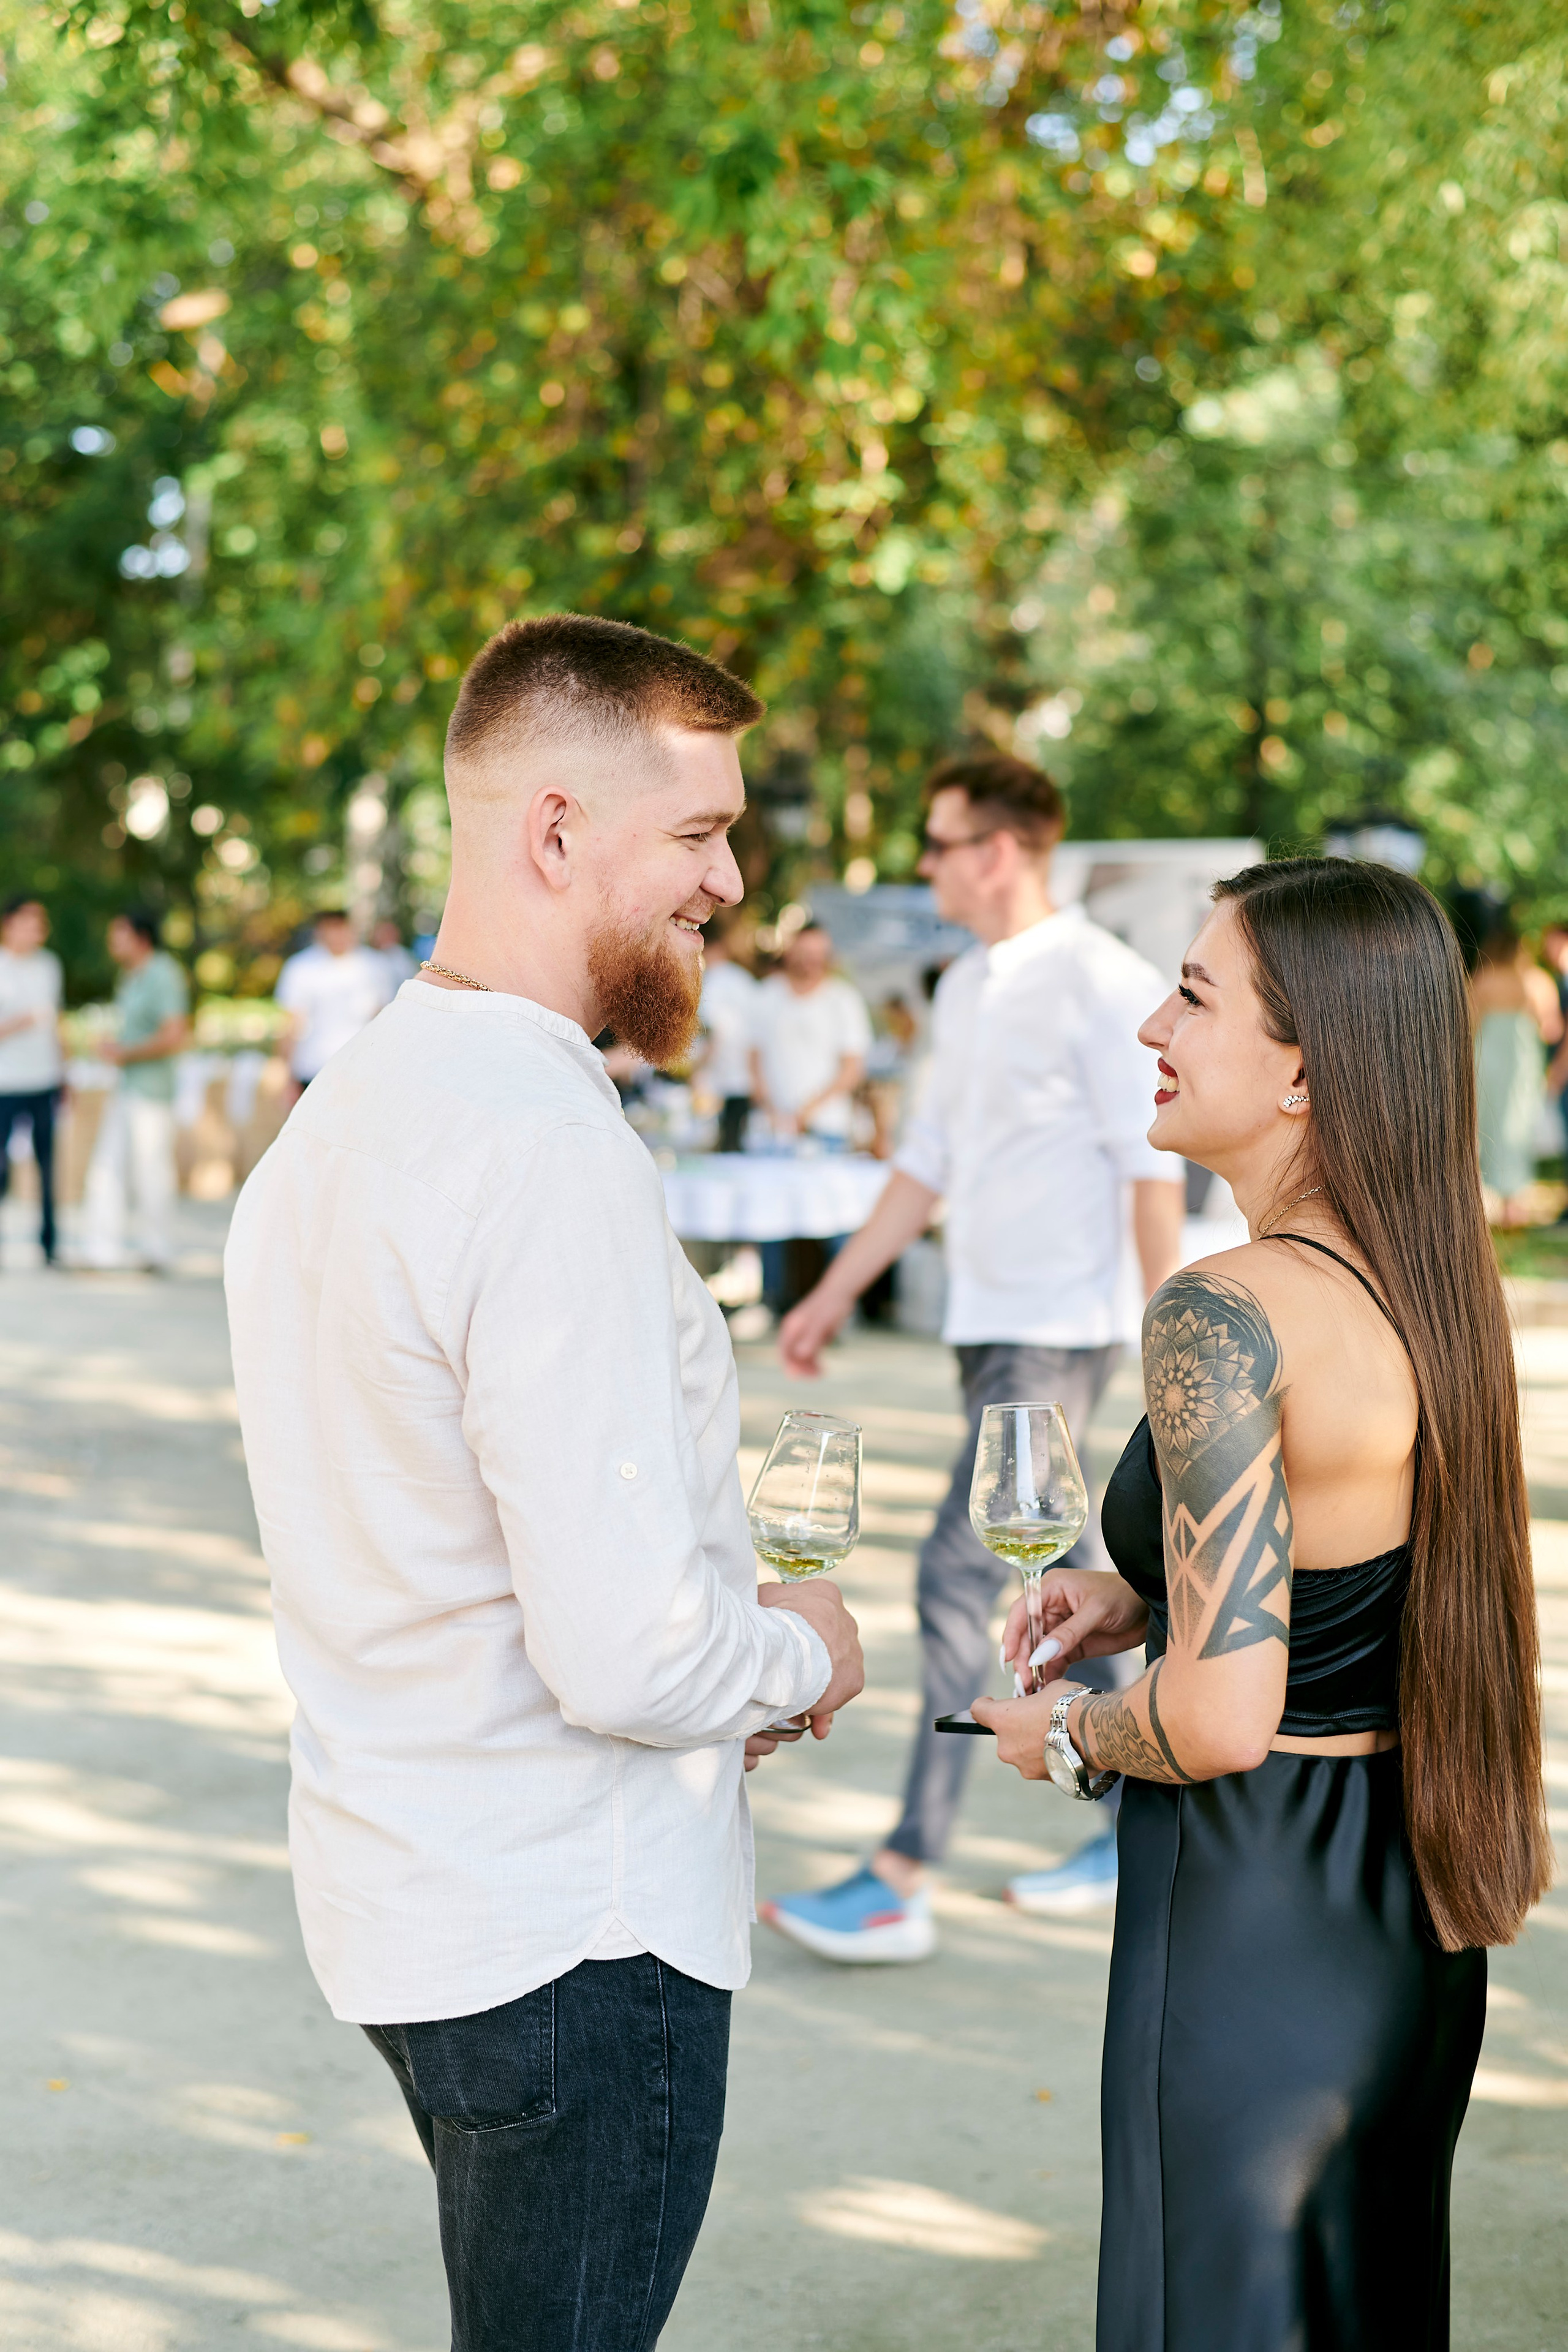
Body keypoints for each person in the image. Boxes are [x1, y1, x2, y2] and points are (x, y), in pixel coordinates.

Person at [224, 614, 865, 2352]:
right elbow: (630, 1655)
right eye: (699, 833)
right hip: (573, 1931)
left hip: (413, 1895)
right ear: (557, 830)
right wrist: (800, 1652)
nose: (730, 882)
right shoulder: (544, 1143)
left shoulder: (346, 1115)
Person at [975, 856, 1548, 2351]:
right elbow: (1347, 1558)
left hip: (1251, 1905)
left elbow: (1221, 1718)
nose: (1149, 1029)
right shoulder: (1420, 1281)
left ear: (1300, 1068)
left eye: (1189, 995)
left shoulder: (1218, 1310)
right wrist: (1140, 1590)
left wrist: (1061, 1735)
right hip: (1402, 1901)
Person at [761, 754, 1184, 1959]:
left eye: (940, 843)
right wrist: (832, 1292)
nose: (926, 864)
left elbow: (1148, 1167)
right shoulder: (962, 989)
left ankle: (904, 1872)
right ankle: (1137, 1819)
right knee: (1066, 1581)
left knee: (960, 1571)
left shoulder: (1100, 981)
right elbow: (928, 1162)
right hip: (983, 1324)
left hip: (1056, 1330)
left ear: (998, 851)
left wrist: (1175, 1365)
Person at [748, 923, 872, 1316]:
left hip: (828, 1129)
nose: (810, 963)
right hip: (776, 1129)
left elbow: (852, 1068)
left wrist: (808, 1110)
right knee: (770, 1217)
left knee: (835, 1219)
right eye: (804, 955)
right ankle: (773, 1301)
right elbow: (754, 1058)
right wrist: (771, 1108)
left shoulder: (843, 1000)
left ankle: (839, 1308)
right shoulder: (768, 995)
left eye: (818, 956)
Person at [79, 908, 190, 1272]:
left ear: (141, 938)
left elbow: (174, 1035)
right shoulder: (129, 977)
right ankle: (102, 1249)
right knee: (107, 1168)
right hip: (127, 1087)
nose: (112, 943)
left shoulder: (164, 974)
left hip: (153, 1092)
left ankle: (159, 1251)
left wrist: (124, 1052)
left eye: (119, 935)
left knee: (151, 1172)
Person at [1469, 920, 1556, 1224]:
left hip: (1489, 1060)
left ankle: (1494, 1198)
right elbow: (1551, 1029)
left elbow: (1470, 1024)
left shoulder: (1485, 978)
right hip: (1521, 1061)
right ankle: (1516, 1204)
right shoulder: (1537, 981)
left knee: (1490, 1123)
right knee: (1519, 1123)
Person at [0, 895, 66, 1267]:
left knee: (48, 1166)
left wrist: (65, 1072)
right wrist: (21, 1023)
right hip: (5, 1083)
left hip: (45, 1080)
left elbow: (58, 1023)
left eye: (40, 923)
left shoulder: (49, 966)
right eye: (29, 922)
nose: (37, 930)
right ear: (9, 924)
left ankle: (50, 1244)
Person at [274, 910, 394, 1096]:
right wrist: (288, 1077)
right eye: (330, 929)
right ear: (319, 932)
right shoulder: (301, 967)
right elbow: (292, 1024)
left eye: (341, 928)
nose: (336, 936)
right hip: (313, 1069)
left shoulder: (376, 966)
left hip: (361, 1069)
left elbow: (384, 1020)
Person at [693, 923, 758, 1153]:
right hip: (745, 1077)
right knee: (737, 1146)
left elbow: (713, 1032)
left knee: (720, 1148)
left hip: (721, 1078)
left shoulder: (714, 979)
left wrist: (698, 1070)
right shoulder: (744, 979)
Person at [370, 914, 418, 992]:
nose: (385, 936)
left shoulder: (404, 957)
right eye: (383, 933)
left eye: (389, 932)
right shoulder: (368, 957)